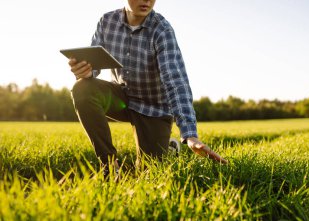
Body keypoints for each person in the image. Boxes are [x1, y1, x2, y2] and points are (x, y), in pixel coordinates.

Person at [68, 0, 227, 175]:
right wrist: (84, 71)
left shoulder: (162, 30)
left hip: (153, 108)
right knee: (82, 88)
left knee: (148, 174)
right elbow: (94, 66)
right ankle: (109, 166)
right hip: (121, 97)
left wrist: (190, 134)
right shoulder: (107, 22)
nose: (147, 0)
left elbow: (175, 81)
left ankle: (169, 149)